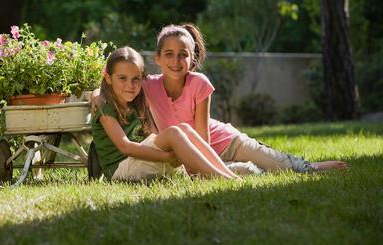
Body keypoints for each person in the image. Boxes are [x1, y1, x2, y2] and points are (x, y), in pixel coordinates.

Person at [140, 23, 347, 173]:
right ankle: (250, 169)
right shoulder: (148, 86)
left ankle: (312, 166)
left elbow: (203, 139)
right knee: (250, 172)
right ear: (157, 58)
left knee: (281, 165)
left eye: (182, 54)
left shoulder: (198, 83)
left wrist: (200, 167)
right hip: (193, 156)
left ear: (192, 59)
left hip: (227, 142)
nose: (176, 61)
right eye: (168, 54)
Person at [91, 46, 241, 181]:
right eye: (122, 78)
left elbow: (152, 136)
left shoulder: (136, 102)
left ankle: (229, 175)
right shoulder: (105, 107)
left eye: (136, 79)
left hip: (141, 161)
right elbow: (126, 147)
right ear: (108, 78)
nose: (130, 86)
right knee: (174, 132)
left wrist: (171, 150)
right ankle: (219, 178)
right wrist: (165, 156)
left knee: (184, 128)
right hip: (120, 169)